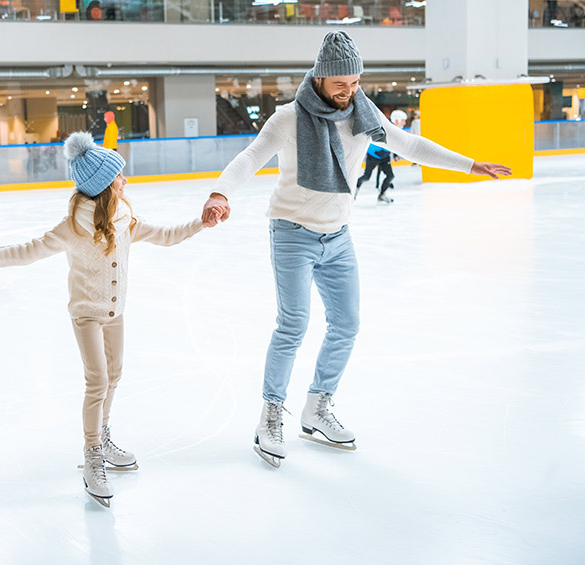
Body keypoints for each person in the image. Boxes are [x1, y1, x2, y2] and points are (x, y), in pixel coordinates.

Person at [201, 31, 511, 467]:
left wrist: (468, 164)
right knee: (293, 325)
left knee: (346, 324)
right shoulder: (288, 118)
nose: (348, 92)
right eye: (340, 85)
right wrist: (220, 193)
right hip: (292, 232)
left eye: (355, 82)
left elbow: (410, 146)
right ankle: (270, 414)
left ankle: (317, 407)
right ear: (320, 80)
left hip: (338, 237)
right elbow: (251, 157)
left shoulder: (365, 116)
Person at [0, 132, 209, 507]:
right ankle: (91, 454)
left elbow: (166, 235)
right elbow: (29, 250)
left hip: (115, 313)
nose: (125, 181)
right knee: (97, 381)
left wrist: (200, 223)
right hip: (86, 315)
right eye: (119, 177)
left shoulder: (126, 219)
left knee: (114, 376)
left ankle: (102, 434)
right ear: (103, 186)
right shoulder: (73, 227)